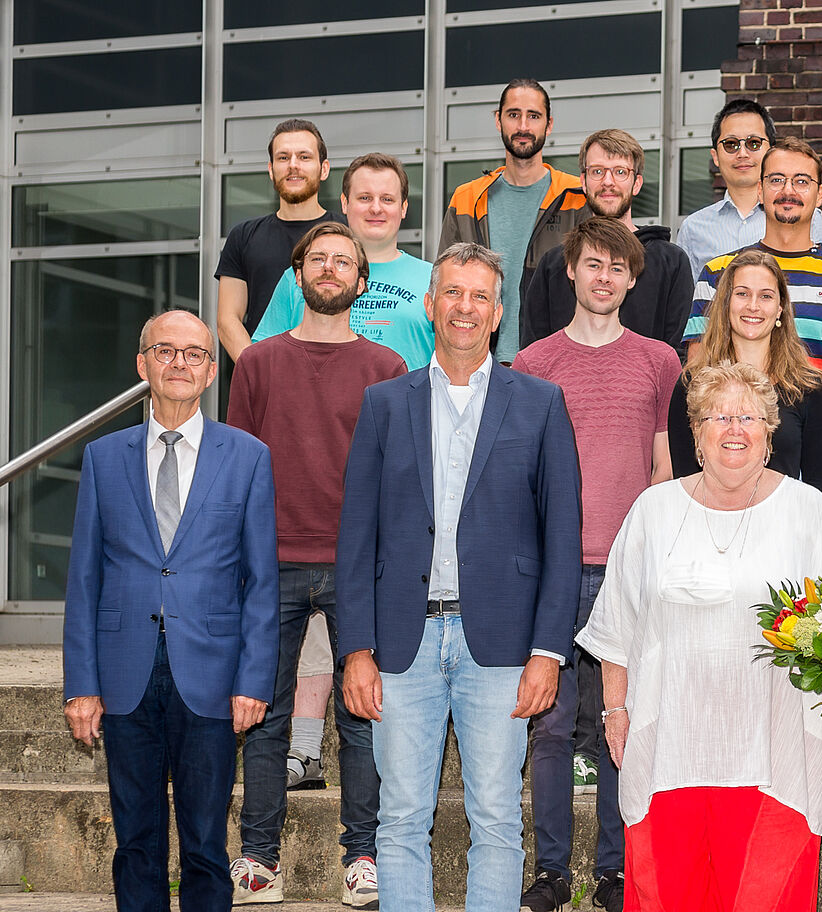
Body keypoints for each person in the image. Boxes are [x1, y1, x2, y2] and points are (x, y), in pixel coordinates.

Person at [336, 243, 582, 912]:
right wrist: (355, 648)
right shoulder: (385, 405)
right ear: (430, 304)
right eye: (453, 293)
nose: (465, 307)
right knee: (400, 817)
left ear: (497, 312)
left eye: (479, 296)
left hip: (501, 646)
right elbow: (356, 537)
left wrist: (547, 652)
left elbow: (562, 541)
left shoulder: (539, 404)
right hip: (400, 644)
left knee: (498, 817)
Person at [575, 361, 822, 912]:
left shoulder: (809, 514)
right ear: (697, 432)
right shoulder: (654, 511)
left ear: (769, 432)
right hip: (669, 748)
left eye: (747, 417)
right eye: (718, 416)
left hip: (776, 751)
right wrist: (614, 710)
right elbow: (617, 626)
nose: (734, 429)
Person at [62, 310, 277, 912]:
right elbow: (84, 579)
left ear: (212, 371)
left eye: (194, 354)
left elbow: (260, 583)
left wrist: (253, 680)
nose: (179, 362)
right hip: (123, 671)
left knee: (207, 846)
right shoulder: (104, 458)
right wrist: (81, 685)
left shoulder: (249, 457)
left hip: (210, 676)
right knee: (135, 843)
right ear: (143, 365)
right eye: (165, 351)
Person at [227, 224, 406, 908]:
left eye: (345, 261)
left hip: (357, 565)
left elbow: (398, 479)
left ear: (362, 282)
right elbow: (237, 469)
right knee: (265, 715)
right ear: (298, 275)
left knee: (362, 718)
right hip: (270, 563)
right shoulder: (261, 363)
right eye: (318, 259)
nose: (330, 269)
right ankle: (258, 860)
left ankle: (363, 857)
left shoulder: (387, 369)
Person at [511, 217, 682, 912]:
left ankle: (615, 871)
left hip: (630, 568)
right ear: (571, 272)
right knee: (550, 726)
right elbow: (517, 475)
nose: (604, 278)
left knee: (625, 722)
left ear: (632, 279)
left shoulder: (659, 361)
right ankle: (552, 870)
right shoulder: (533, 364)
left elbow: (667, 467)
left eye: (617, 268)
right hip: (553, 569)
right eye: (592, 265)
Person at [681, 136, 822, 513]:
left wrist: (798, 436)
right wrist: (747, 438)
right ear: (759, 189)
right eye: (776, 180)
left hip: (818, 458)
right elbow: (699, 371)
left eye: (802, 181)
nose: (788, 191)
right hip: (728, 452)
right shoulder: (718, 273)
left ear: (820, 195)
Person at [437, 78, 589, 364]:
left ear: (549, 124)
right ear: (498, 120)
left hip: (555, 362)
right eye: (513, 114)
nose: (523, 127)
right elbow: (445, 286)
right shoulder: (466, 199)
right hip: (479, 362)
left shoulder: (577, 197)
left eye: (533, 116)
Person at [673, 248, 822, 496]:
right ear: (726, 303)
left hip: (784, 529)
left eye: (766, 296)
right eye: (742, 294)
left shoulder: (809, 387)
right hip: (706, 528)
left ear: (780, 309)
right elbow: (684, 484)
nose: (753, 306)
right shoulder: (692, 385)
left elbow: (818, 492)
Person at [255, 152, 435, 369]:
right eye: (365, 198)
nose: (376, 208)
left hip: (400, 404)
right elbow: (262, 361)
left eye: (387, 199)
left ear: (403, 208)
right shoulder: (302, 274)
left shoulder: (433, 280)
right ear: (344, 203)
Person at [520, 129, 695, 353]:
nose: (608, 182)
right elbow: (534, 356)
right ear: (583, 182)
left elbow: (679, 355)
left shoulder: (671, 261)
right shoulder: (554, 263)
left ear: (637, 183)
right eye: (598, 171)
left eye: (620, 172)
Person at [218, 119, 344, 362]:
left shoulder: (347, 233)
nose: (293, 166)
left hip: (337, 373)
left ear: (324, 169)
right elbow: (227, 320)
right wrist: (259, 372)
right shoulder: (243, 236)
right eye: (283, 158)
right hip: (265, 378)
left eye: (304, 157)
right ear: (270, 168)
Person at [675, 98, 822, 275]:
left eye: (753, 143)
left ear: (771, 151)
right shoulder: (693, 228)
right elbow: (691, 300)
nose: (742, 153)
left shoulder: (808, 217)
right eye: (731, 144)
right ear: (715, 156)